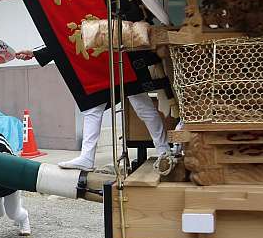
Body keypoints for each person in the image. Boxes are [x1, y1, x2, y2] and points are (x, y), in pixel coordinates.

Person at [15, 49, 170, 171]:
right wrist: (37, 53)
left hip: (123, 57)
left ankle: (164, 151)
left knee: (142, 107)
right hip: (101, 63)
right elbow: (68, 36)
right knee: (93, 108)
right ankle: (87, 157)